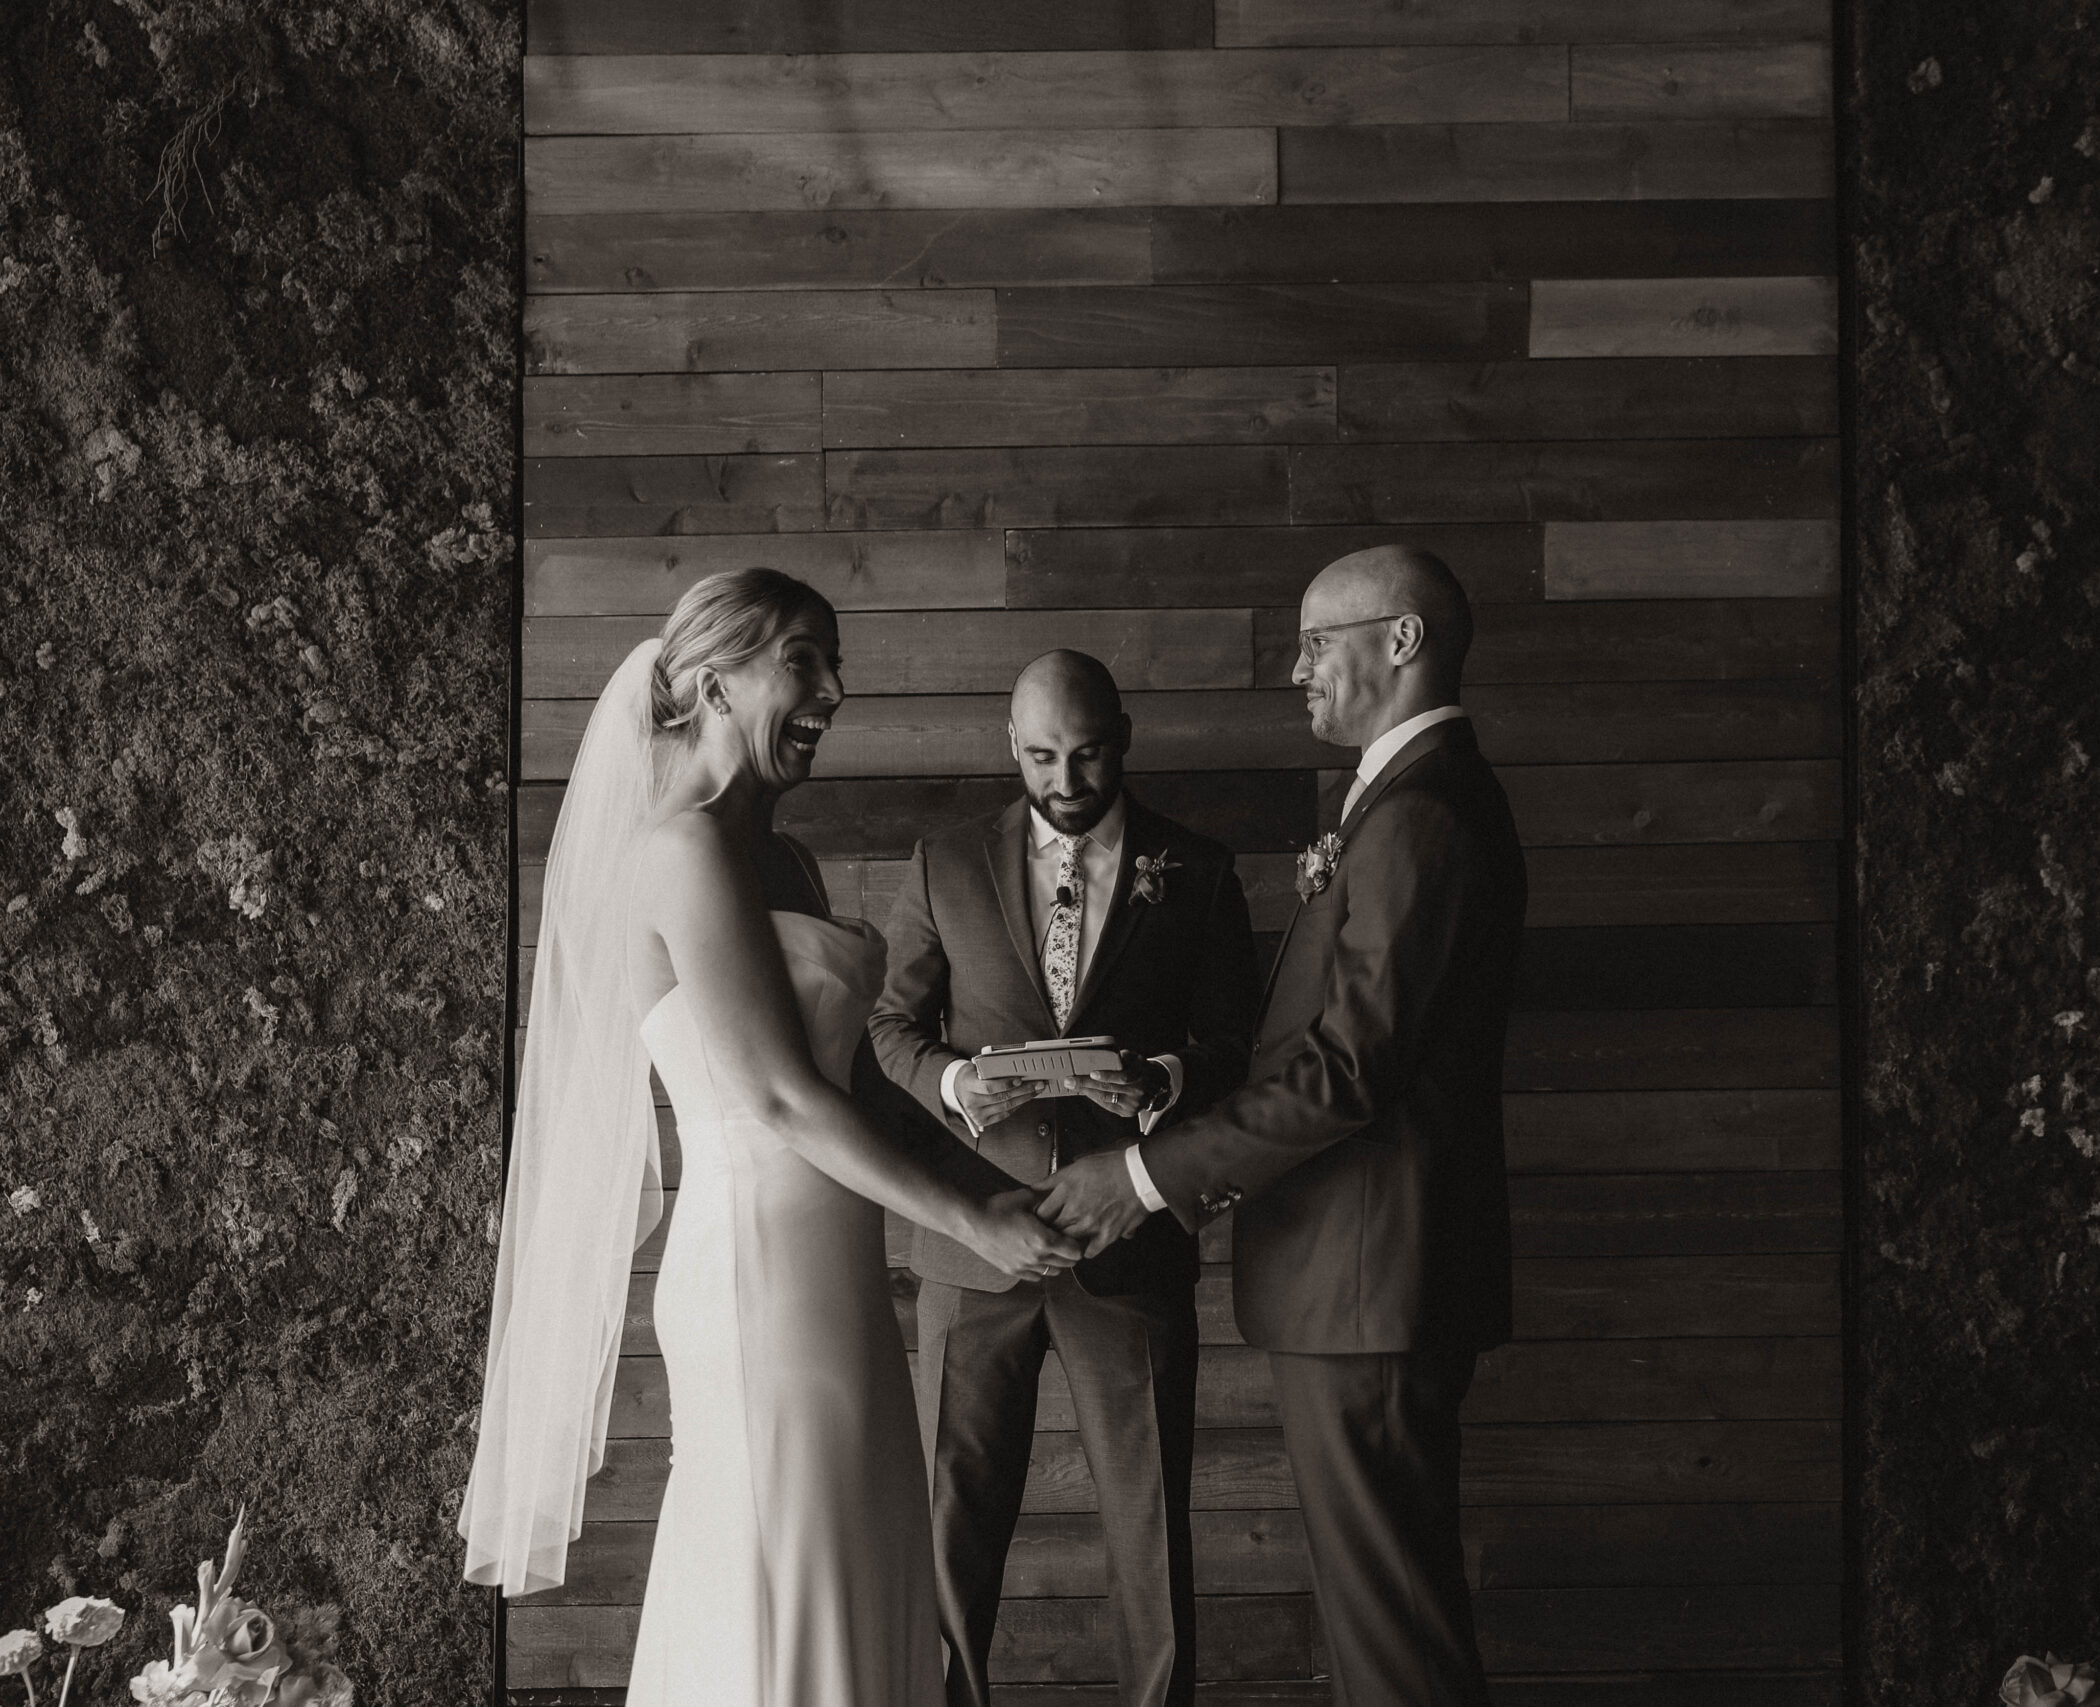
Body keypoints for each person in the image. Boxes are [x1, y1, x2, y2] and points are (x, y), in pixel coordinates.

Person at [461, 569, 1081, 1707]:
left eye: (832, 664)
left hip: (832, 1273)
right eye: (805, 660)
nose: (834, 691)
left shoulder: (784, 860)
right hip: (755, 1277)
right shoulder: (677, 850)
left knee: (856, 1558)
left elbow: (865, 1088)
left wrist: (1000, 1194)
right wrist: (965, 1224)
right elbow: (781, 1098)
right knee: (774, 1565)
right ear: (712, 680)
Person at [1039, 547, 1526, 1707]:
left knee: (1392, 1635)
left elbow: (1348, 1067)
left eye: (1317, 641)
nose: (1295, 670)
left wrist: (1146, 1176)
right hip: (1362, 1281)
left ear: (1398, 642)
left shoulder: (1421, 818)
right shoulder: (1409, 801)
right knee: (1385, 1622)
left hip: (1370, 1285)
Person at [868, 650, 1259, 1707]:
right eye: (1042, 755)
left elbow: (1238, 1038)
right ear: (1010, 744)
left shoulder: (1199, 869)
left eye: (1086, 754)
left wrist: (1169, 1077)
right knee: (953, 1517)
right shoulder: (944, 861)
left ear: (1121, 736)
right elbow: (887, 1030)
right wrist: (951, 1082)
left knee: (1148, 1518)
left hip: (1128, 1238)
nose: (1066, 778)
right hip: (971, 1241)